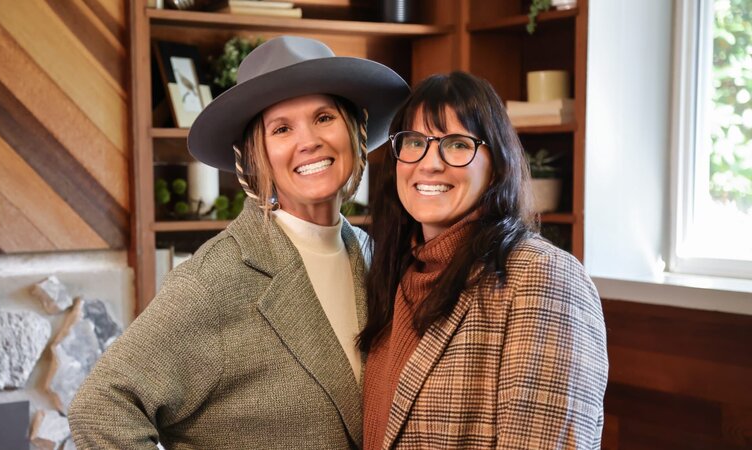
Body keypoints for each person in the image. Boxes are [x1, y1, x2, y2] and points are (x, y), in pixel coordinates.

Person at [68, 36, 409, 449]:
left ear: (355, 130)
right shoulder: (213, 281)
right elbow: (100, 406)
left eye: (324, 118)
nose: (309, 141)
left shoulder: (372, 255)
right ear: (255, 154)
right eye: (282, 128)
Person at [360, 71, 609, 449]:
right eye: (414, 142)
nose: (429, 163)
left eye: (457, 144)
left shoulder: (542, 275)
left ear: (497, 164)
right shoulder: (395, 275)